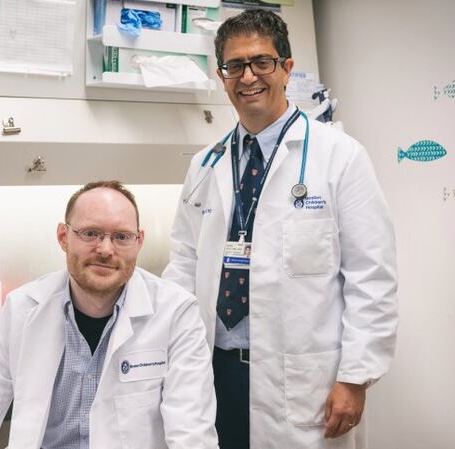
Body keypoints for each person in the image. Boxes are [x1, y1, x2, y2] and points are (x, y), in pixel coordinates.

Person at [162, 9, 398, 449]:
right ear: (222, 76)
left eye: (261, 62)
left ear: (286, 69)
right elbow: (184, 262)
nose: (248, 76)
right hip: (213, 370)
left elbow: (372, 278)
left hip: (303, 383)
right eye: (235, 66)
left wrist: (356, 377)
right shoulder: (205, 164)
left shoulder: (340, 157)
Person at [0, 180, 218, 449]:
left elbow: (192, 433)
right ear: (64, 237)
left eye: (121, 237)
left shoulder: (177, 313)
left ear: (139, 242)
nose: (106, 249)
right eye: (90, 233)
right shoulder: (22, 310)